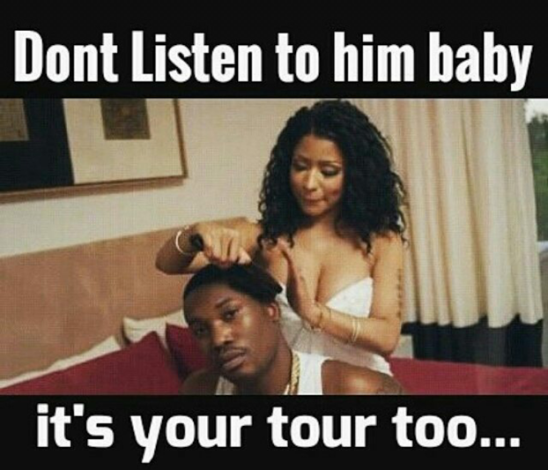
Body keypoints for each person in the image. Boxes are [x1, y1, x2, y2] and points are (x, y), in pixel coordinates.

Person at [157, 100, 406, 375]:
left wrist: (315, 314)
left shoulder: (381, 241)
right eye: (300, 166)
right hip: (285, 386)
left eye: (328, 171)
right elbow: (168, 263)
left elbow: (387, 339)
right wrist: (194, 233)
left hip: (359, 384)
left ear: (356, 175)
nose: (309, 183)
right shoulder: (264, 237)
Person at [180, 264, 404, 395]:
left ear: (271, 311)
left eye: (230, 314)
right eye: (200, 330)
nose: (218, 339)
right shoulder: (199, 390)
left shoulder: (356, 390)